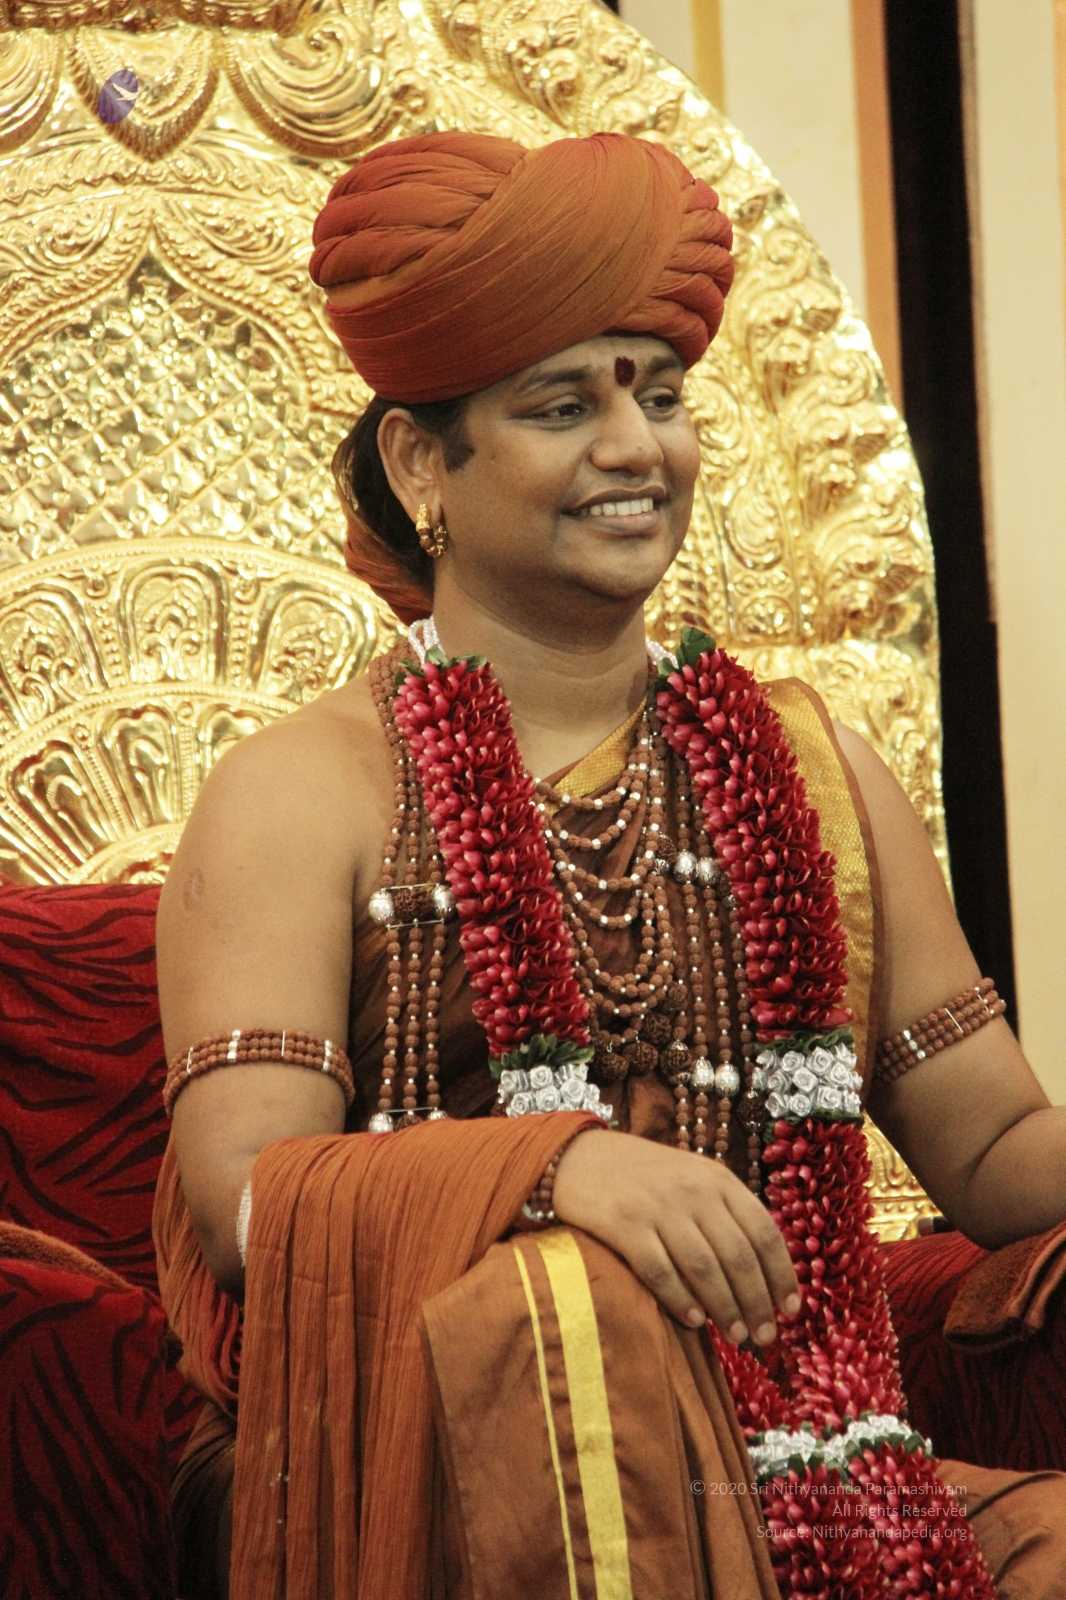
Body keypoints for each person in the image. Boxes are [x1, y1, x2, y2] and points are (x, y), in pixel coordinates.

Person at [151, 130, 1066, 1598]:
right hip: (441, 1465)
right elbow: (249, 1198)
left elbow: (999, 1150)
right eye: (564, 405)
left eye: (662, 396)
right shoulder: (301, 790)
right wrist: (554, 1171)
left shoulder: (808, 765)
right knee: (565, 1316)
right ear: (420, 460)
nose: (639, 448)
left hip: (810, 1456)